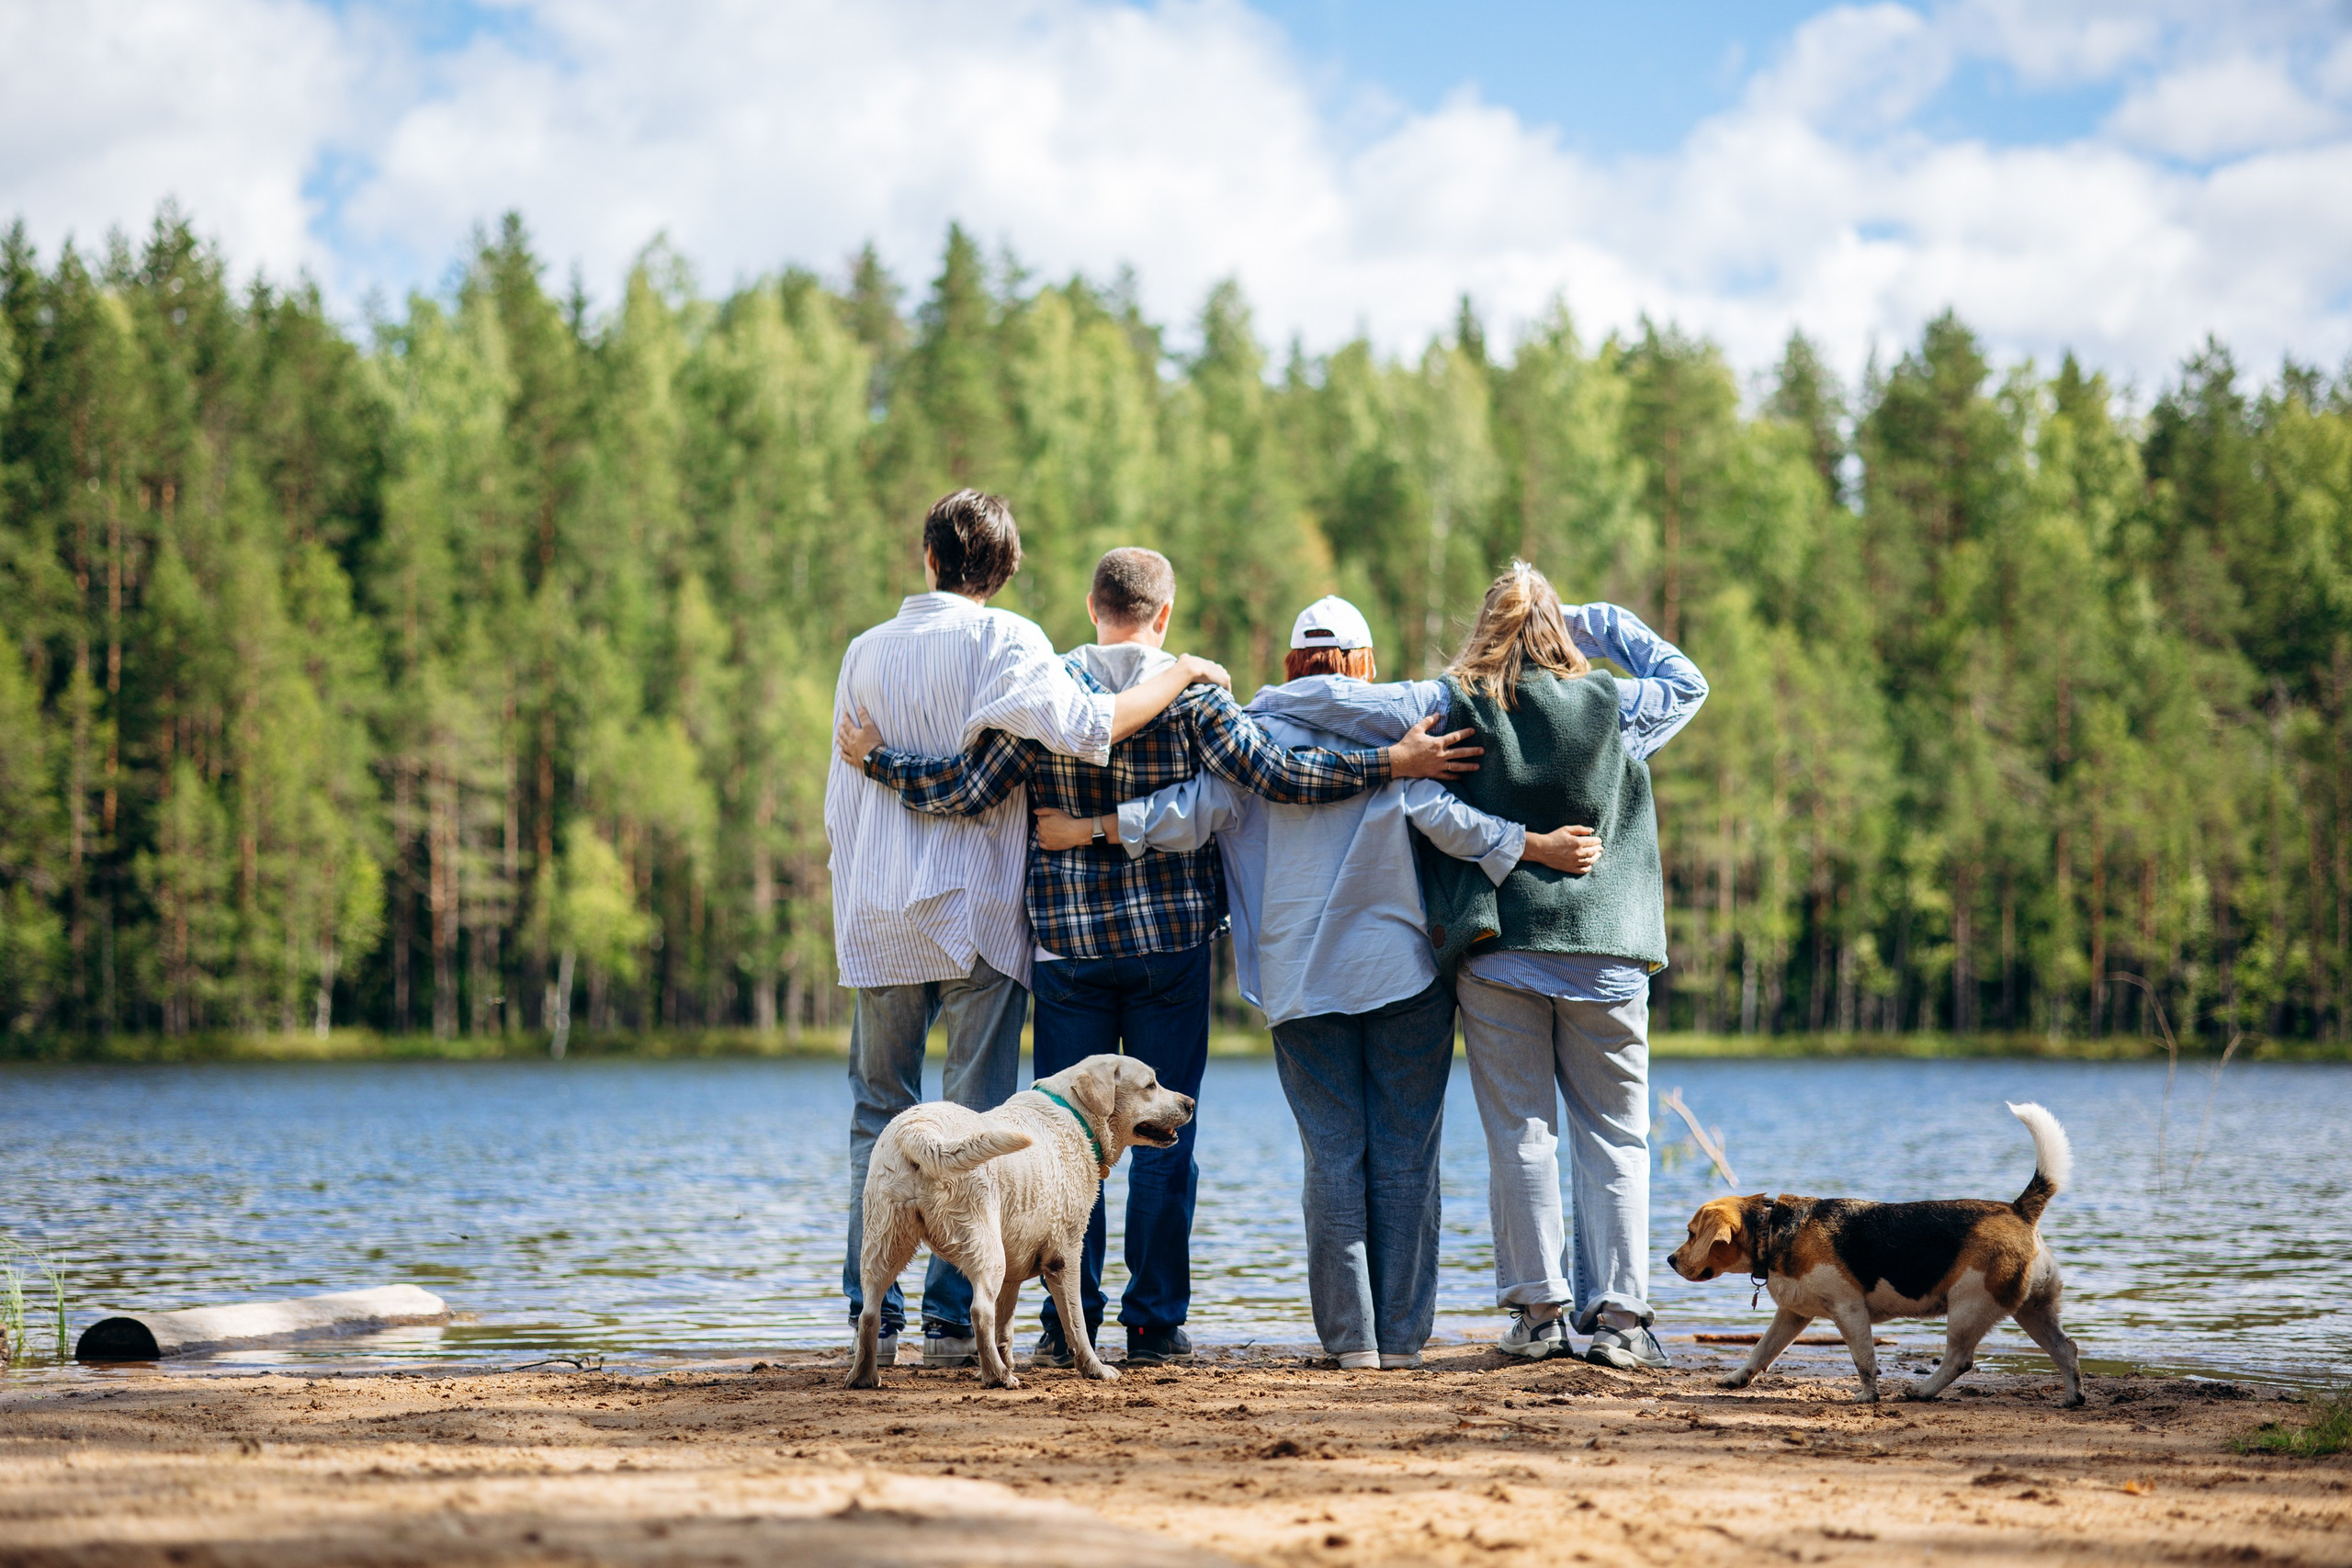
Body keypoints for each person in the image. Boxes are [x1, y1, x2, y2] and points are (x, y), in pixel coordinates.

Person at [836, 548, 1479, 1369]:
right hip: (1169, 951)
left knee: (1066, 1141)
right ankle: (1155, 1324)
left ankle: (1067, 1322)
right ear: (1164, 615)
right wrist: (1392, 762)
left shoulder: (1048, 689)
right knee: (1164, 1132)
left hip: (1069, 951)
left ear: (1092, 606)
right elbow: (1279, 776)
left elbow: (965, 787)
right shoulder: (1197, 696)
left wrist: (877, 758)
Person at [1034, 594, 1601, 1371]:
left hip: (1299, 983)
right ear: (1363, 662)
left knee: (1331, 1158)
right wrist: (1530, 843)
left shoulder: (1250, 736)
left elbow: (1183, 813)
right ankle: (1402, 1339)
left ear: (1291, 663)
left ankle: (1351, 1341)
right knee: (1405, 1157)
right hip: (1403, 976)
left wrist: (1091, 828)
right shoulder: (1403, 731)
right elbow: (1447, 816)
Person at [1263, 562, 1706, 1370]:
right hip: (1608, 949)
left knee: (1520, 1134)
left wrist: (1263, 701)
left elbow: (1377, 746)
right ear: (1560, 630)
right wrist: (1593, 619)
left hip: (1500, 947)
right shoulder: (1615, 704)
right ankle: (1619, 1320)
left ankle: (1539, 1316)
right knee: (1615, 1136)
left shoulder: (1452, 703)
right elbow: (1687, 682)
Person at [825, 493, 1229, 1371]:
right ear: (1005, 572)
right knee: (975, 1125)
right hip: (975, 912)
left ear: (928, 556)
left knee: (877, 1114)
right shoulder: (1011, 642)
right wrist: (1186, 671)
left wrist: (854, 877)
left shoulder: (862, 651)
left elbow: (841, 798)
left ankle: (872, 1312)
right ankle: (950, 1319)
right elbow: (1087, 728)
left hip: (878, 910)